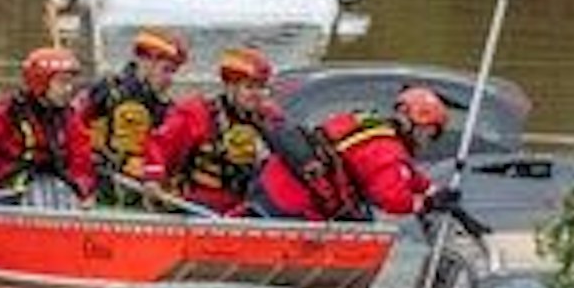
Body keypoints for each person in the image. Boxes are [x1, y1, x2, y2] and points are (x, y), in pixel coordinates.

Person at [246, 84, 451, 221]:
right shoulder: (387, 150)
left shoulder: (372, 126)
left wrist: (432, 189)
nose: (427, 142)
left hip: (270, 181)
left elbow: (404, 174)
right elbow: (392, 197)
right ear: (413, 125)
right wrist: (426, 203)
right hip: (292, 201)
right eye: (428, 133)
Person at [139, 46, 284, 213]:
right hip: (200, 208)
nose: (257, 94)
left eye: (261, 87)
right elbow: (160, 144)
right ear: (230, 86)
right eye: (250, 87)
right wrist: (153, 180)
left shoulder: (271, 119)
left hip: (250, 207)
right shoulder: (197, 114)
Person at [0, 46, 97, 209]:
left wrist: (83, 187)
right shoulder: (1, 113)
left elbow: (81, 160)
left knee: (57, 190)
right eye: (62, 82)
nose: (69, 89)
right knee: (37, 192)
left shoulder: (68, 117)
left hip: (50, 188)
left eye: (71, 82)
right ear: (41, 83)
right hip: (3, 192)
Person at [72, 28, 187, 204]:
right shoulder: (108, 90)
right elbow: (73, 125)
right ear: (148, 61)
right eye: (167, 70)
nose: (170, 79)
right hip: (102, 182)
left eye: (173, 72)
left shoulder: (166, 107)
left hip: (140, 185)